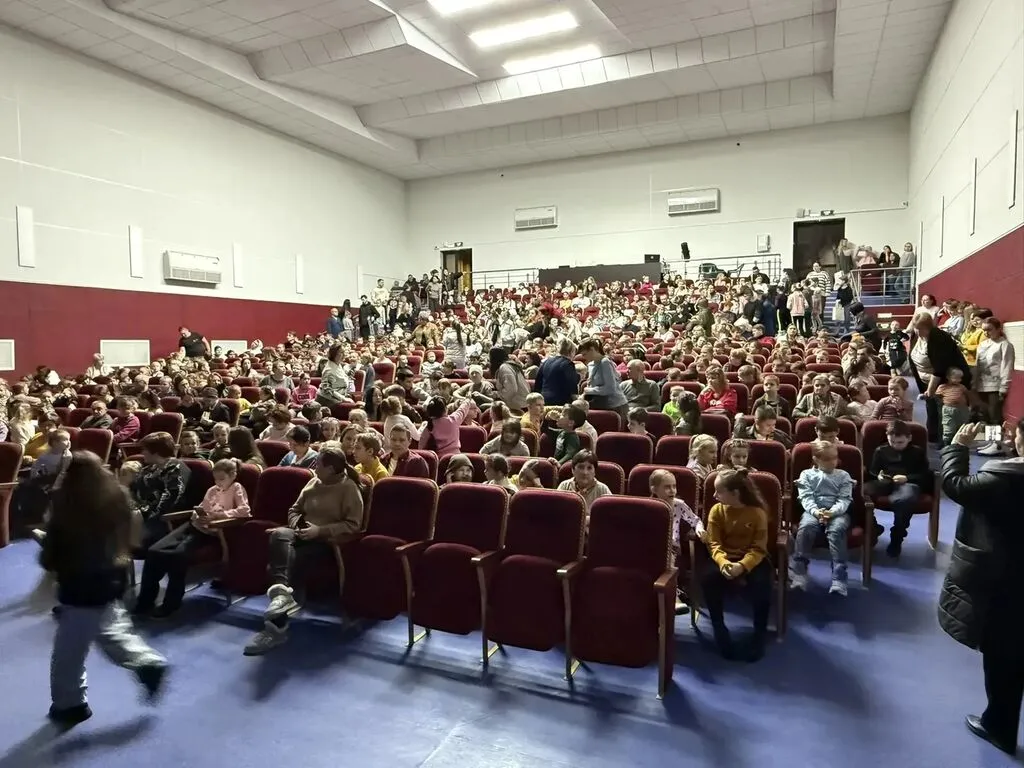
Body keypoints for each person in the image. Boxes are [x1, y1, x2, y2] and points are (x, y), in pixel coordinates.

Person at [41, 452, 167, 728]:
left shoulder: (66, 500)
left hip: (79, 581)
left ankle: (70, 704)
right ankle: (146, 660)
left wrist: (48, 562)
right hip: (112, 575)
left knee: (69, 652)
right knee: (111, 626)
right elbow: (130, 533)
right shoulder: (117, 493)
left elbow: (54, 545)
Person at [939, 420, 1024, 756]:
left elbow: (956, 485)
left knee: (1005, 654)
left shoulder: (1006, 479)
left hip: (1007, 579)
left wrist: (957, 447)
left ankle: (999, 727)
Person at [244, 445, 365, 655]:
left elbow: (353, 525)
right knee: (278, 534)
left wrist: (320, 531)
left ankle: (275, 630)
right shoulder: (313, 482)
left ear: (331, 469)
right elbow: (294, 509)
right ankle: (282, 593)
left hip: (326, 542)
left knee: (290, 562)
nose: (314, 468)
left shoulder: (349, 488)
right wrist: (297, 525)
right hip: (301, 533)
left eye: (319, 465)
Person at [135, 458, 251, 618]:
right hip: (195, 525)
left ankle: (171, 604)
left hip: (213, 532)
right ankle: (145, 601)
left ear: (233, 475)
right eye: (215, 479)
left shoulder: (237, 488)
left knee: (177, 555)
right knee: (154, 551)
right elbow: (202, 507)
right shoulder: (212, 490)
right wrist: (199, 514)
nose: (218, 482)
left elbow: (245, 511)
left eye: (222, 479)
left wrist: (218, 516)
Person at [701, 469, 771, 661]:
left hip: (751, 559)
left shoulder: (757, 513)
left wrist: (742, 565)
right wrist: (723, 562)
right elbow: (714, 543)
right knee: (708, 578)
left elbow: (759, 548)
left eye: (719, 491)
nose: (714, 496)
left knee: (762, 584)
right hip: (724, 558)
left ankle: (759, 633)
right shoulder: (717, 511)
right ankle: (719, 627)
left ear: (735, 493)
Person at [792, 440, 854, 596]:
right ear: (816, 459)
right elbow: (806, 497)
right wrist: (816, 512)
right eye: (827, 459)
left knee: (837, 530)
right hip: (813, 511)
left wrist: (831, 512)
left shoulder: (843, 475)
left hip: (838, 513)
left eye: (835, 458)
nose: (832, 462)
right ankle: (799, 573)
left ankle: (839, 579)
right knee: (806, 527)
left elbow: (844, 499)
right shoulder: (806, 475)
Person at [866, 419, 931, 557]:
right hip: (885, 482)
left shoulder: (917, 452)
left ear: (909, 438)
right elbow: (872, 471)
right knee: (860, 491)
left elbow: (925, 474)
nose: (896, 445)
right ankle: (873, 527)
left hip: (908, 483)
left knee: (905, 499)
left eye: (900, 442)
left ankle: (897, 535)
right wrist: (878, 476)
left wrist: (907, 478)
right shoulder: (881, 450)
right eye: (892, 442)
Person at [909, 311, 971, 444]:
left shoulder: (939, 338)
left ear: (929, 327)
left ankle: (945, 441)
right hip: (925, 380)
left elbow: (939, 369)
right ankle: (933, 437)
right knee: (931, 410)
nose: (918, 332)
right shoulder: (916, 335)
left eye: (921, 329)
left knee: (944, 413)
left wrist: (931, 390)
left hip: (944, 381)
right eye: (916, 328)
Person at [649, 468, 705, 615]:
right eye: (667, 487)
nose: (672, 490)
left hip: (671, 547)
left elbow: (695, 520)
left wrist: (699, 530)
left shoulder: (678, 505)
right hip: (651, 546)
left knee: (668, 559)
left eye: (674, 486)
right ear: (654, 489)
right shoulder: (648, 506)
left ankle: (675, 597)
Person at [974, 318, 1015, 456]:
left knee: (995, 416)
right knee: (986, 415)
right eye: (984, 330)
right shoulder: (983, 344)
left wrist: (1004, 386)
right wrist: (974, 383)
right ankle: (991, 442)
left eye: (989, 329)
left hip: (995, 386)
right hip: (982, 385)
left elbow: (1007, 367)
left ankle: (998, 445)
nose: (986, 333)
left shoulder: (1005, 345)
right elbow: (978, 365)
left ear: (998, 329)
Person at [578, 338, 628, 420]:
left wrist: (589, 390)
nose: (583, 357)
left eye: (585, 354)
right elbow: (592, 385)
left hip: (615, 406)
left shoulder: (605, 362)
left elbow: (610, 388)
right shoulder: (590, 365)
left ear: (592, 349)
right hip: (601, 404)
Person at [556, 450, 611, 522]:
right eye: (581, 467)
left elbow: (609, 516)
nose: (585, 472)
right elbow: (556, 512)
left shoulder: (603, 489)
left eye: (589, 468)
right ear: (573, 470)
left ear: (595, 472)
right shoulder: (564, 486)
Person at [532, 338, 580, 406]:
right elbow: (572, 386)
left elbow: (538, 382)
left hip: (543, 399)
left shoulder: (547, 361)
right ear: (572, 351)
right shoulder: (568, 364)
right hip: (560, 401)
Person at [934, 368, 971, 446]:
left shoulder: (962, 387)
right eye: (956, 378)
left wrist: (969, 405)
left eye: (960, 378)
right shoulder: (942, 387)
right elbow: (937, 397)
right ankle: (947, 444)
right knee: (948, 427)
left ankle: (960, 443)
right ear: (948, 377)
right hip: (948, 409)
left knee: (962, 426)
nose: (959, 380)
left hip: (962, 409)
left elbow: (968, 396)